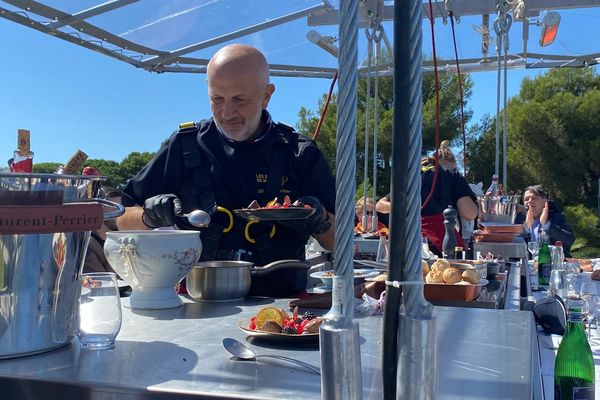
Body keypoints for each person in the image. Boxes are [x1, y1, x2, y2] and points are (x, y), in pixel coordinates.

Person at [117, 44, 336, 297]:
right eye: (217, 99)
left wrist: (319, 220)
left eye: (239, 100)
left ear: (266, 95)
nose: (226, 113)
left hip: (282, 307)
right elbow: (120, 219)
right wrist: (150, 216)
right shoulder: (185, 144)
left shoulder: (299, 152)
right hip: (200, 301)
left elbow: (341, 242)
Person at [376, 142, 477, 256]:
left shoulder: (413, 175)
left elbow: (380, 205)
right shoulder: (453, 176)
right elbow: (469, 212)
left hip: (408, 238)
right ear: (452, 163)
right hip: (440, 242)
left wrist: (406, 208)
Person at [516, 185, 575, 257]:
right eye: (526, 199)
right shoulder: (518, 220)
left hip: (552, 264)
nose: (530, 201)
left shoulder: (556, 217)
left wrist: (546, 224)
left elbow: (569, 240)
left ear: (545, 201)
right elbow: (512, 243)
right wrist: (525, 228)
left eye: (534, 198)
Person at [84, 187, 121, 274]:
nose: (120, 213)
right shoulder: (87, 245)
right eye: (114, 207)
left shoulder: (127, 240)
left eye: (122, 207)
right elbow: (101, 282)